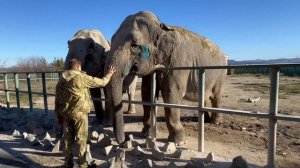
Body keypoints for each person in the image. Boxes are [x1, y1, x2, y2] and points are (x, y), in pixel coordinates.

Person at [54, 59, 116, 168]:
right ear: (78, 67)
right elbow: (102, 82)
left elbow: (57, 98)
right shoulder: (81, 77)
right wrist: (109, 74)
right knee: (81, 139)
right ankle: (82, 164)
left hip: (65, 114)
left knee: (67, 140)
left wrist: (58, 114)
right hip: (80, 114)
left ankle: (68, 163)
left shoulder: (61, 78)